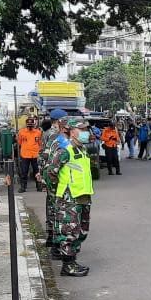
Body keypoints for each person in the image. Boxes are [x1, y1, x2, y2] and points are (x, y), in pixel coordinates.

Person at [45, 117, 94, 277]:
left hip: (83, 196)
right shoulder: (64, 150)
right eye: (82, 130)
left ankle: (73, 261)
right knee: (68, 233)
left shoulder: (82, 149)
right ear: (72, 132)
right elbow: (51, 172)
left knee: (81, 231)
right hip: (69, 198)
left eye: (87, 130)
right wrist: (60, 191)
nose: (86, 133)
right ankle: (68, 266)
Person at [40, 109, 69, 252]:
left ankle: (51, 237)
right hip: (54, 175)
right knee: (57, 208)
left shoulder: (46, 133)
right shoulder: (56, 135)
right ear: (58, 121)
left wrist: (41, 176)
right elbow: (47, 156)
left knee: (51, 207)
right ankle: (56, 240)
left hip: (48, 173)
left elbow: (42, 155)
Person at [17, 117, 43, 192]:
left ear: (34, 124)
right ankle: (23, 187)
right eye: (28, 125)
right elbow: (19, 142)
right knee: (24, 171)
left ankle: (39, 186)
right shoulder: (21, 132)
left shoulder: (38, 132)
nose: (30, 126)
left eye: (31, 125)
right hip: (25, 154)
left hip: (35, 154)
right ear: (26, 124)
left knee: (37, 171)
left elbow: (40, 143)